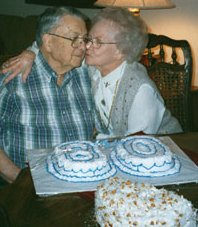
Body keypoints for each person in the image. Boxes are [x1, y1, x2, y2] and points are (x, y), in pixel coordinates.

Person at [1, 8, 182, 139]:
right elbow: (51, 44)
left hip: (164, 152)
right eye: (89, 39)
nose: (85, 46)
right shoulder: (90, 68)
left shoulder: (140, 90)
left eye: (97, 42)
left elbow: (139, 146)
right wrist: (30, 52)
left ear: (121, 51)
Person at [0, 7, 104, 183]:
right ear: (48, 42)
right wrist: (21, 182)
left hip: (83, 180)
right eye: (75, 39)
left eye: (84, 39)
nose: (84, 46)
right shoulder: (13, 79)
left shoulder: (88, 73)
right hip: (27, 188)